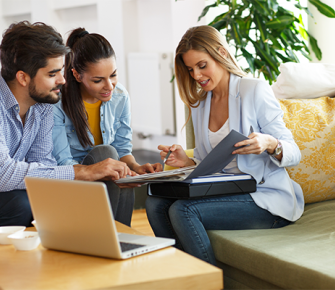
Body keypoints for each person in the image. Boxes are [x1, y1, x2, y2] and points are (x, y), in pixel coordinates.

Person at [146, 25, 304, 265]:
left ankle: (208, 281)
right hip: (224, 191)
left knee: (183, 210)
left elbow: (294, 151)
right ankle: (181, 275)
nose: (197, 75)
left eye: (202, 65)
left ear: (221, 53)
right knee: (155, 203)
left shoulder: (253, 90)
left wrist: (269, 143)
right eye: (190, 69)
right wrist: (187, 161)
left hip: (263, 197)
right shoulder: (200, 104)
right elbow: (206, 161)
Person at [0, 21, 134, 227]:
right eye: (52, 74)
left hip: (14, 193)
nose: (63, 80)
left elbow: (45, 164)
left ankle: (110, 241)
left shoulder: (43, 105)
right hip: (9, 195)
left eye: (61, 71)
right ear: (23, 78)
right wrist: (84, 172)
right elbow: (3, 174)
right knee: (22, 203)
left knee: (42, 199)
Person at [51, 28, 162, 226]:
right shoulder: (58, 103)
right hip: (73, 181)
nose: (109, 86)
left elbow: (122, 149)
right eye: (98, 80)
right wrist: (101, 167)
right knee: (107, 154)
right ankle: (108, 236)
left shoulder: (120, 96)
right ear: (76, 75)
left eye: (113, 75)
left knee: (119, 166)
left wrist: (136, 168)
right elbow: (63, 164)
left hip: (107, 181)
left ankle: (120, 237)